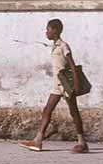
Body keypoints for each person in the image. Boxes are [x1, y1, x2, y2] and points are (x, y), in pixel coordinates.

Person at [20, 18, 89, 154]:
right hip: (57, 85)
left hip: (66, 85)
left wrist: (76, 82)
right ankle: (38, 140)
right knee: (47, 110)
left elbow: (72, 64)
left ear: (55, 30)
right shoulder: (55, 46)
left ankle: (82, 143)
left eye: (48, 29)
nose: (46, 32)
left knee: (73, 112)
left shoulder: (64, 46)